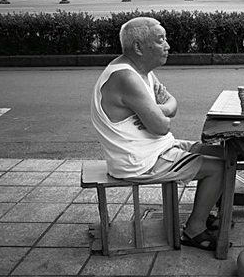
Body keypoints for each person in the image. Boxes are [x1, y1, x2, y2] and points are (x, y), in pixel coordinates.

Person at [91, 17, 224, 251]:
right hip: (140, 161)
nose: (168, 46)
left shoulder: (142, 71)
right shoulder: (126, 77)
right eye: (160, 40)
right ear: (138, 47)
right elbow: (162, 126)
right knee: (219, 168)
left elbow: (172, 104)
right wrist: (156, 111)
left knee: (224, 153)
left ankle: (207, 211)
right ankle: (194, 230)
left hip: (158, 148)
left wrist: (154, 110)